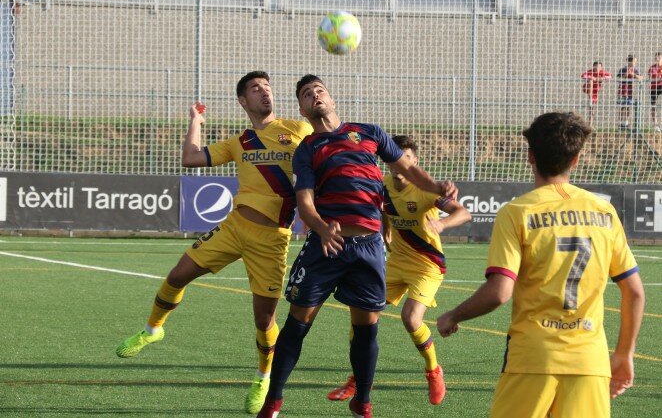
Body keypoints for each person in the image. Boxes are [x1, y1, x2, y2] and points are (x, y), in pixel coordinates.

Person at [257, 75, 458, 418]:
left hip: (368, 249)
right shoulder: (308, 149)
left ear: (331, 100)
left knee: (366, 329)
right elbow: (304, 202)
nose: (314, 95)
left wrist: (436, 186)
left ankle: (362, 402)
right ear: (303, 109)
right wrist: (321, 228)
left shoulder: (369, 132)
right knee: (297, 325)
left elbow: (407, 167)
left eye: (319, 90)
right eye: (306, 94)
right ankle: (273, 402)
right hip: (326, 247)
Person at [115, 71, 313, 414]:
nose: (264, 92)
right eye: (255, 89)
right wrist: (197, 120)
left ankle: (263, 377)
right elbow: (190, 157)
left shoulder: (298, 130)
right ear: (243, 101)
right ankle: (152, 329)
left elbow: (321, 159)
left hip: (272, 240)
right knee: (177, 275)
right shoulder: (239, 142)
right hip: (234, 227)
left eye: (267, 87)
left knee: (264, 321)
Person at [436, 112, 645, 418]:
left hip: (532, 358)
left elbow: (499, 292)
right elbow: (635, 292)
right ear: (576, 160)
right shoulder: (604, 211)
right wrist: (625, 354)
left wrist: (454, 315)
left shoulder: (517, 213)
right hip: (589, 361)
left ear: (530, 156)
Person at [326, 135, 471, 406]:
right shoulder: (383, 187)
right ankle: (357, 378)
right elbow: (384, 212)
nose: (399, 163)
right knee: (361, 316)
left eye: (406, 158)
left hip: (427, 266)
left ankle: (433, 371)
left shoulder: (425, 191)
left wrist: (442, 225)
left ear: (414, 162)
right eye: (395, 157)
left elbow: (463, 213)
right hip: (395, 264)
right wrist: (387, 233)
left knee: (411, 319)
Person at [616, 55, 644, 129]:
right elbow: (618, 77)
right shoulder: (623, 69)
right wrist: (626, 75)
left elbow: (641, 77)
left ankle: (626, 123)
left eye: (635, 62)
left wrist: (634, 75)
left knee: (628, 106)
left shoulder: (635, 70)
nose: (634, 63)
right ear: (629, 62)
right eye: (633, 62)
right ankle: (620, 123)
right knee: (622, 106)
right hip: (622, 91)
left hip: (630, 91)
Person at [581, 61, 612, 126]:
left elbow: (610, 76)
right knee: (591, 81)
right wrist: (591, 77)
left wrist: (601, 78)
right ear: (593, 66)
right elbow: (583, 75)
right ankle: (590, 98)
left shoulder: (602, 72)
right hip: (587, 88)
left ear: (601, 67)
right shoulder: (590, 71)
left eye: (599, 67)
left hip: (595, 91)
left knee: (592, 108)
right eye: (596, 66)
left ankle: (590, 124)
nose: (597, 68)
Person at [647, 52, 662, 132]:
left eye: (659, 58)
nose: (657, 59)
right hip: (654, 87)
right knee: (653, 105)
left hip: (661, 85)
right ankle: (656, 125)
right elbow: (652, 76)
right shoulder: (652, 67)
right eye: (656, 58)